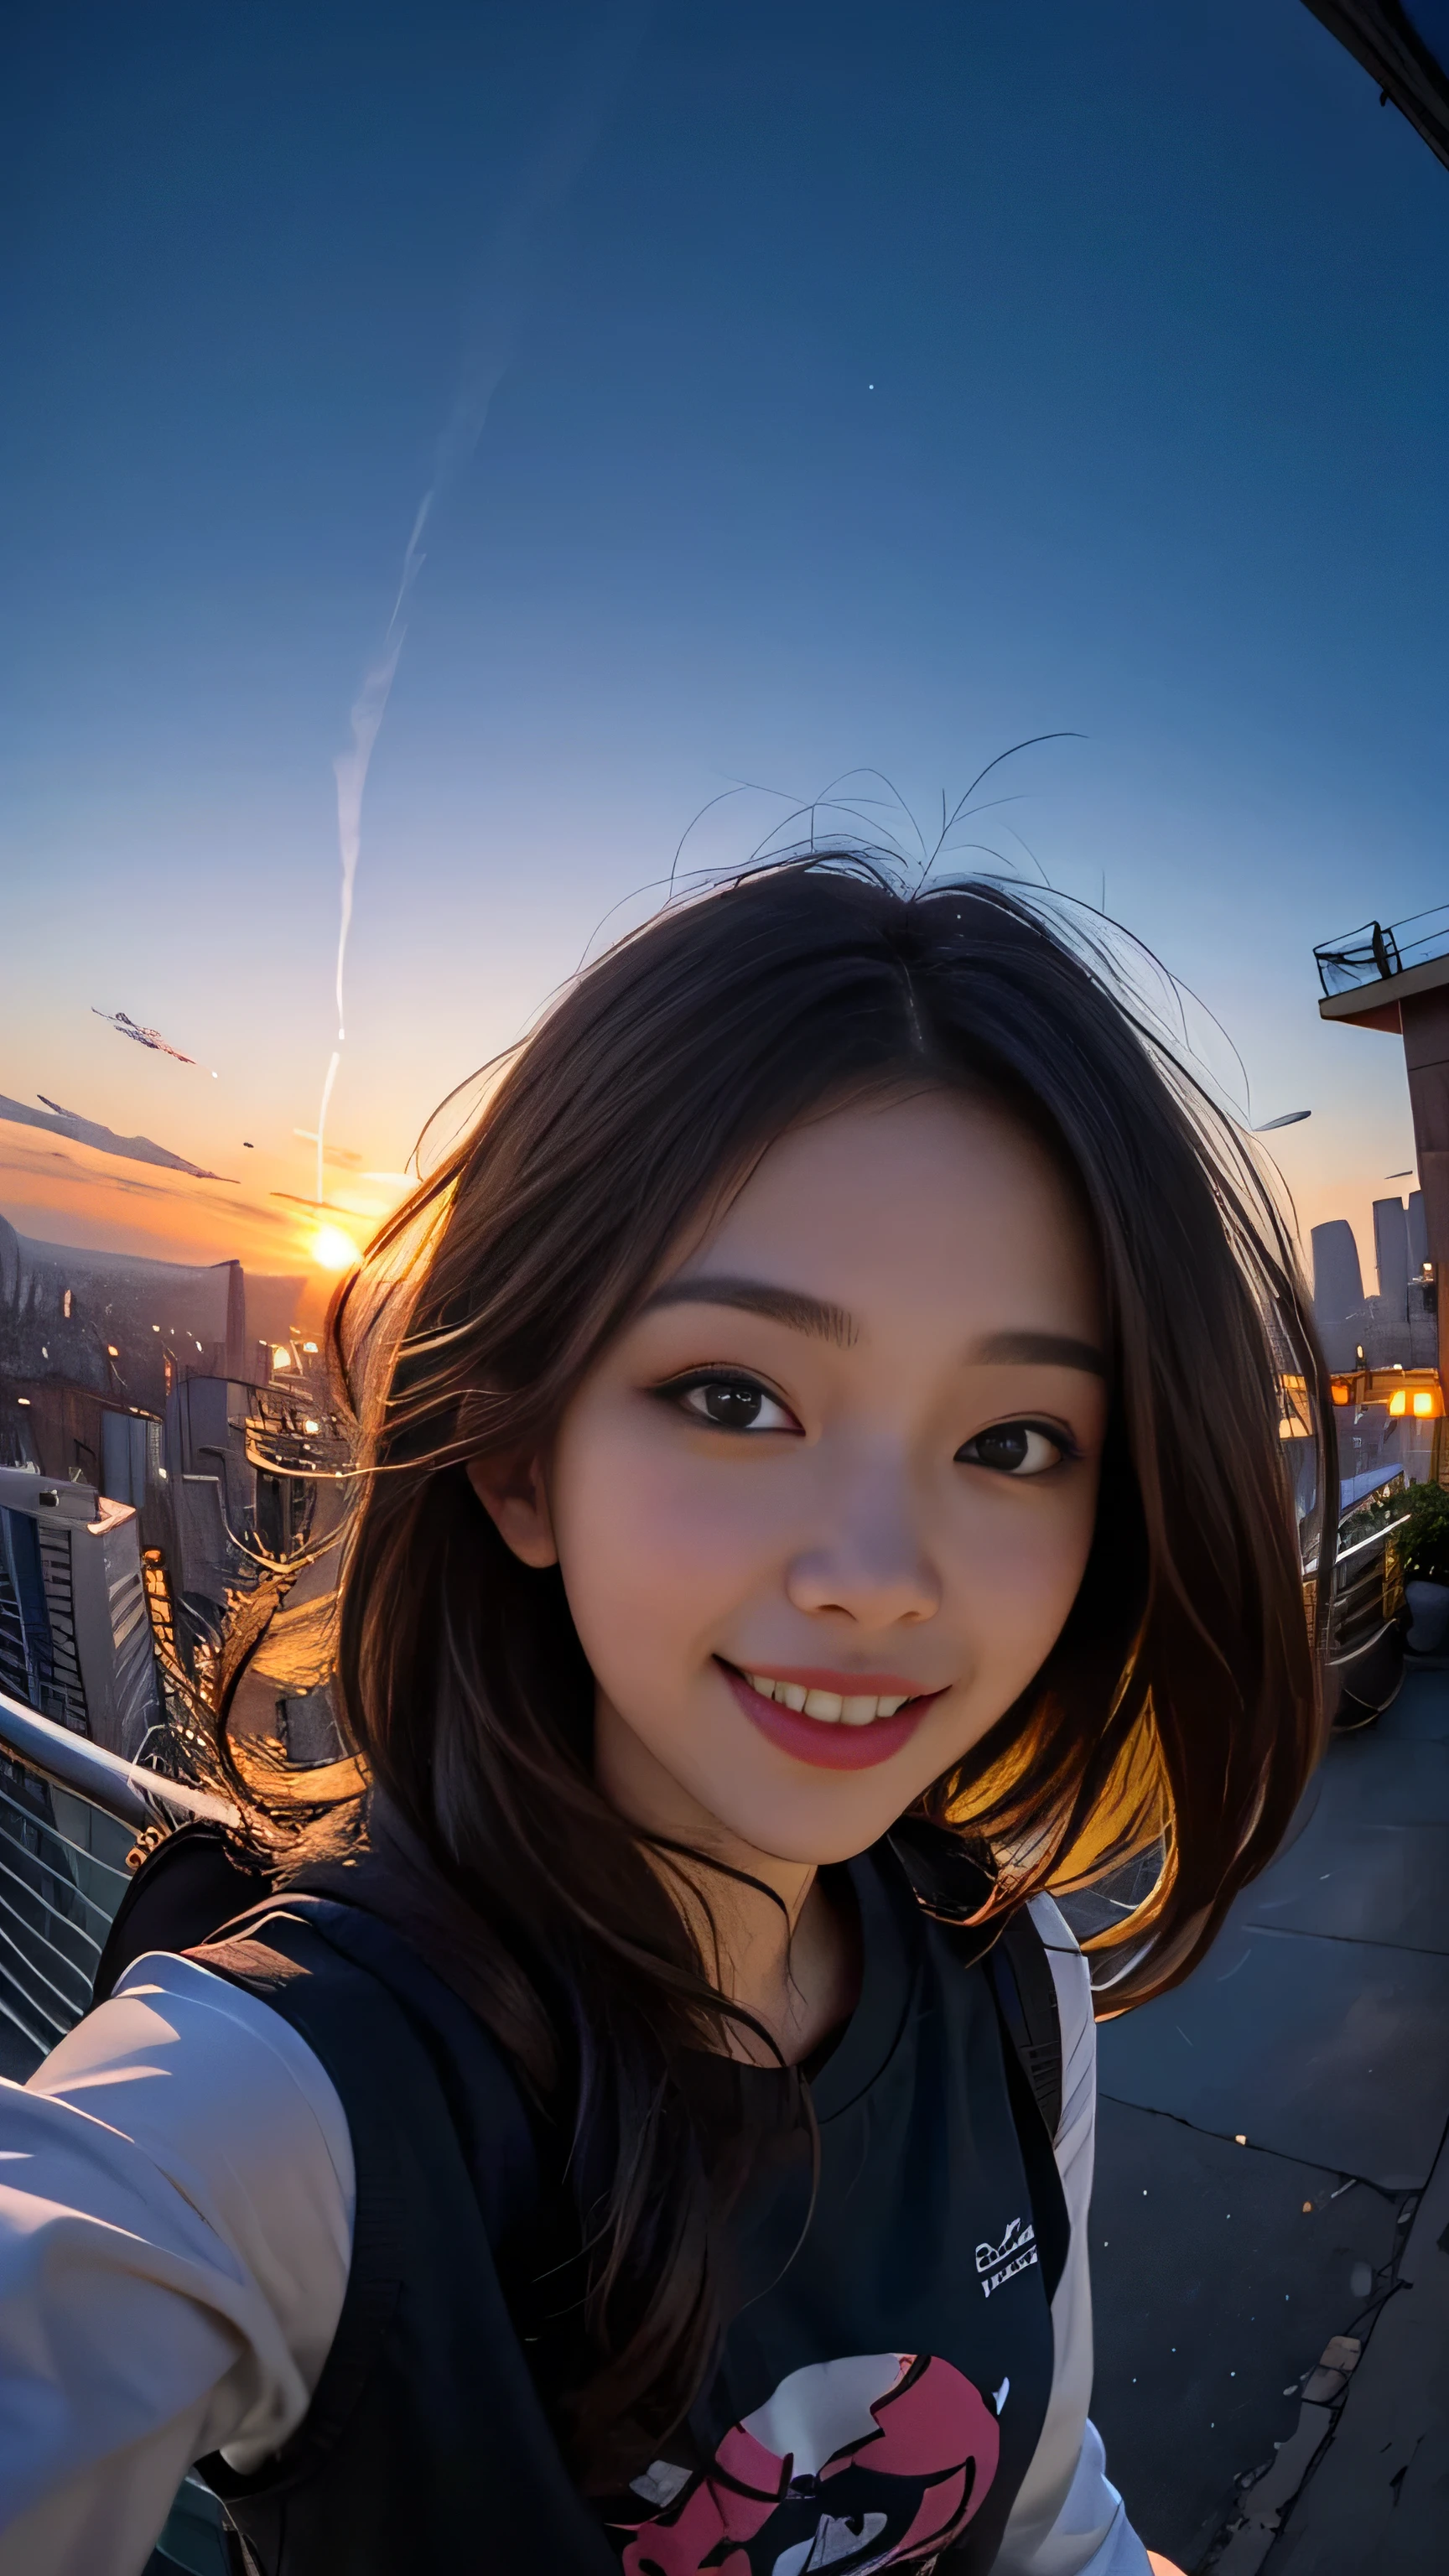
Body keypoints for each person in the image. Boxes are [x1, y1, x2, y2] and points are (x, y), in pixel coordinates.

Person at [0, 859, 1328, 2576]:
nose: (877, 1575)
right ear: (515, 1453)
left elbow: (1049, 2525)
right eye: (736, 1397)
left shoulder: (1011, 1978)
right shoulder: (280, 2109)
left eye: (1012, 1442)